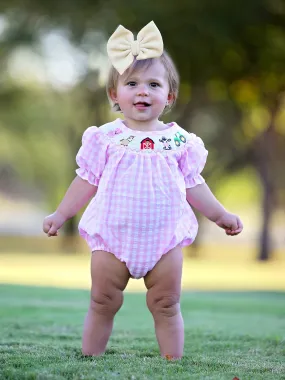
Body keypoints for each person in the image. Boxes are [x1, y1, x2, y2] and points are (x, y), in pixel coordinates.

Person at [43, 21, 243, 359]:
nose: (142, 91)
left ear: (169, 96)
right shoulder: (105, 138)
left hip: (163, 240)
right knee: (102, 301)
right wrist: (62, 214)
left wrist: (220, 214)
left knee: (166, 304)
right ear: (114, 95)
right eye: (131, 83)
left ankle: (172, 361)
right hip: (113, 237)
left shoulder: (180, 142)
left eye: (153, 84)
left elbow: (194, 184)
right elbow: (86, 179)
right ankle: (91, 357)